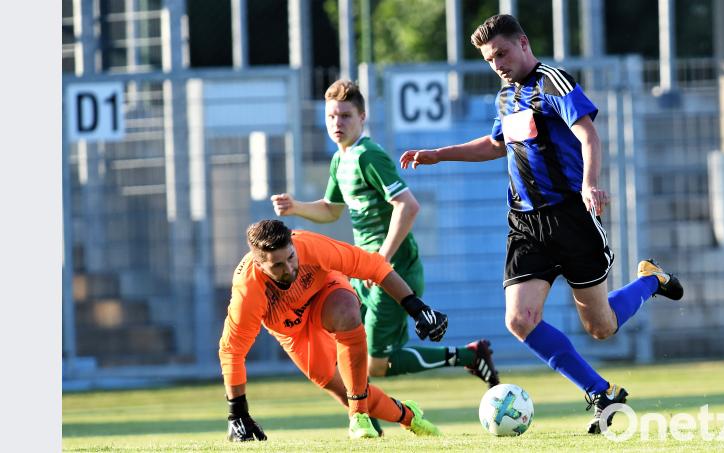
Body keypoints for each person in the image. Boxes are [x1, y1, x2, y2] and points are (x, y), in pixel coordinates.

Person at [399, 14, 684, 435]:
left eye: (502, 53)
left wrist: (590, 185)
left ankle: (650, 280)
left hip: (572, 218)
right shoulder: (505, 95)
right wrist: (438, 154)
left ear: (523, 43)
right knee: (519, 320)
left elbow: (588, 134)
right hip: (526, 225)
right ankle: (601, 394)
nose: (497, 63)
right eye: (489, 58)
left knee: (601, 327)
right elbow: (496, 144)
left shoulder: (554, 82)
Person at [271, 80, 500, 392]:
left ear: (363, 117)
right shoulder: (341, 159)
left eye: (346, 116)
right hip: (362, 271)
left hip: (393, 272)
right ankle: (365, 420)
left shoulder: (368, 155)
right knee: (349, 348)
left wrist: (382, 259)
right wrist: (296, 206)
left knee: (376, 363)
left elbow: (408, 205)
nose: (337, 123)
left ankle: (469, 357)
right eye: (331, 116)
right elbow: (331, 209)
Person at [219, 219, 447, 441]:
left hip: (326, 294)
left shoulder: (310, 245)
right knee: (344, 389)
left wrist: (417, 308)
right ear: (259, 265)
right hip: (294, 333)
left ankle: (358, 416)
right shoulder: (247, 291)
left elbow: (375, 266)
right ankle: (409, 416)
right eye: (277, 265)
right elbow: (232, 351)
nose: (289, 268)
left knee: (347, 312)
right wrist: (237, 413)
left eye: (290, 257)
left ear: (293, 247)